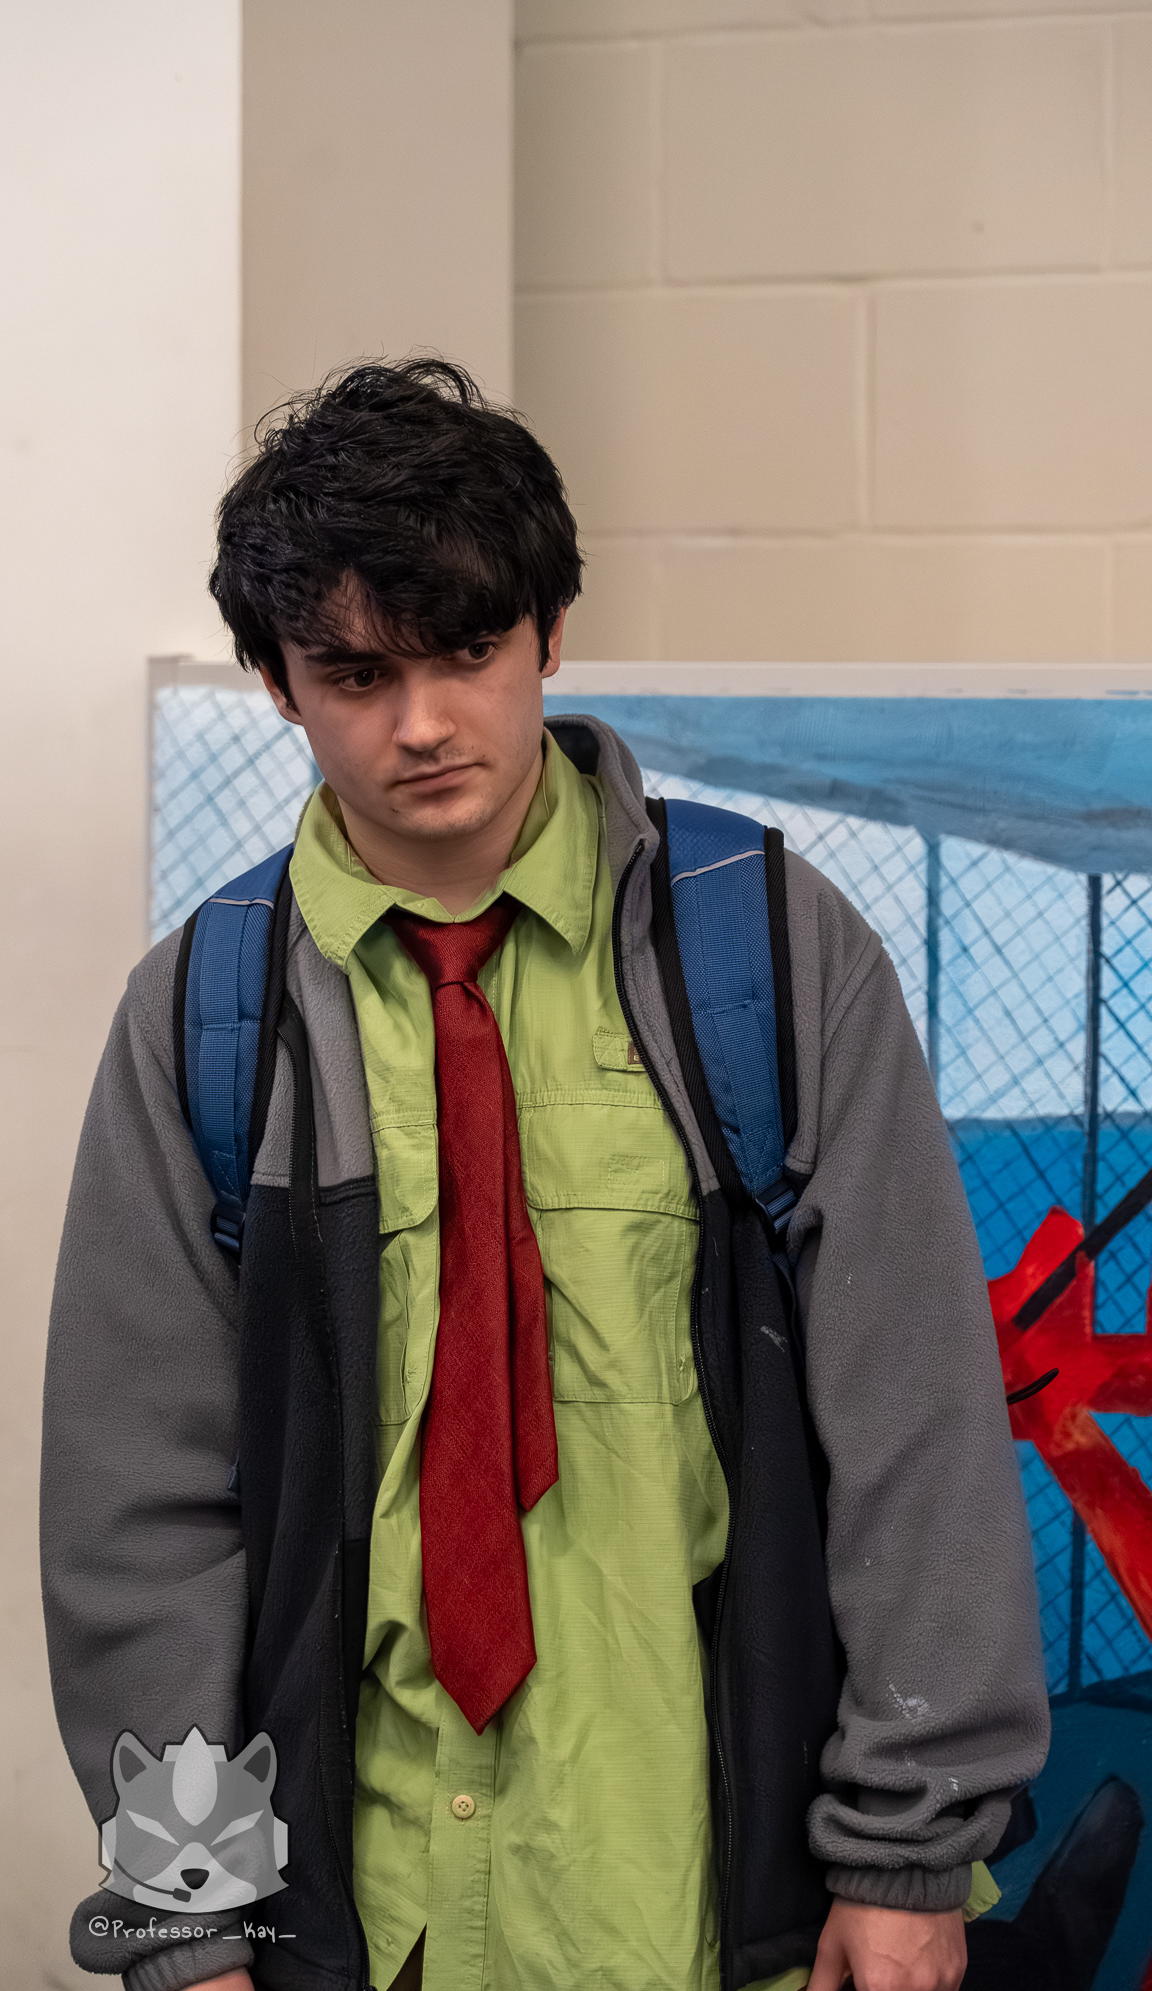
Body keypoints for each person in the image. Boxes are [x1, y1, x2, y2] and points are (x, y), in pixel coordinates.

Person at [42, 360, 1048, 1991]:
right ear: (278, 687)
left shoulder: (770, 953)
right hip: (356, 1927)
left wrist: (910, 1848)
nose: (424, 723)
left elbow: (915, 1424)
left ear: (552, 635)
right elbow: (136, 1511)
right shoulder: (203, 1017)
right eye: (356, 673)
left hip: (718, 1909)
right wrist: (184, 1912)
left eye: (468, 650)